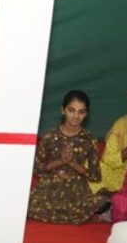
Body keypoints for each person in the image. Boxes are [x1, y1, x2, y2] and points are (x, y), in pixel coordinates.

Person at [28, 90, 108, 224]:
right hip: (50, 187)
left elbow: (95, 176)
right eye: (71, 110)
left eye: (81, 112)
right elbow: (37, 169)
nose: (76, 116)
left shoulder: (89, 139)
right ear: (62, 110)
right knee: (26, 202)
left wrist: (72, 164)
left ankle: (71, 213)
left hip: (76, 189)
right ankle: (79, 215)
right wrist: (60, 161)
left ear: (86, 114)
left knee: (103, 201)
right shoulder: (49, 136)